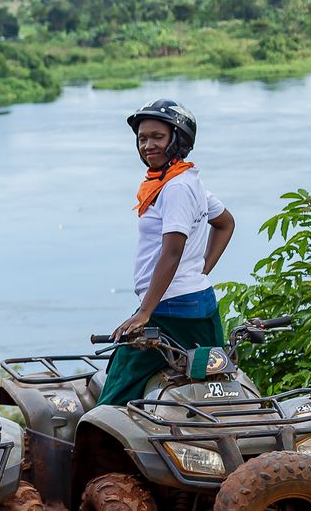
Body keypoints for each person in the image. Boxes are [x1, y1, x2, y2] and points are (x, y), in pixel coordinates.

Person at [99, 99, 235, 405]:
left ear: (178, 139)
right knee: (209, 393)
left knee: (113, 402)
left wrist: (144, 313)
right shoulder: (184, 181)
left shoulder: (175, 188)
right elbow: (226, 223)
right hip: (198, 305)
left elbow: (172, 252)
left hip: (170, 311)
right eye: (142, 138)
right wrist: (200, 273)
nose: (148, 145)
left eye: (157, 137)